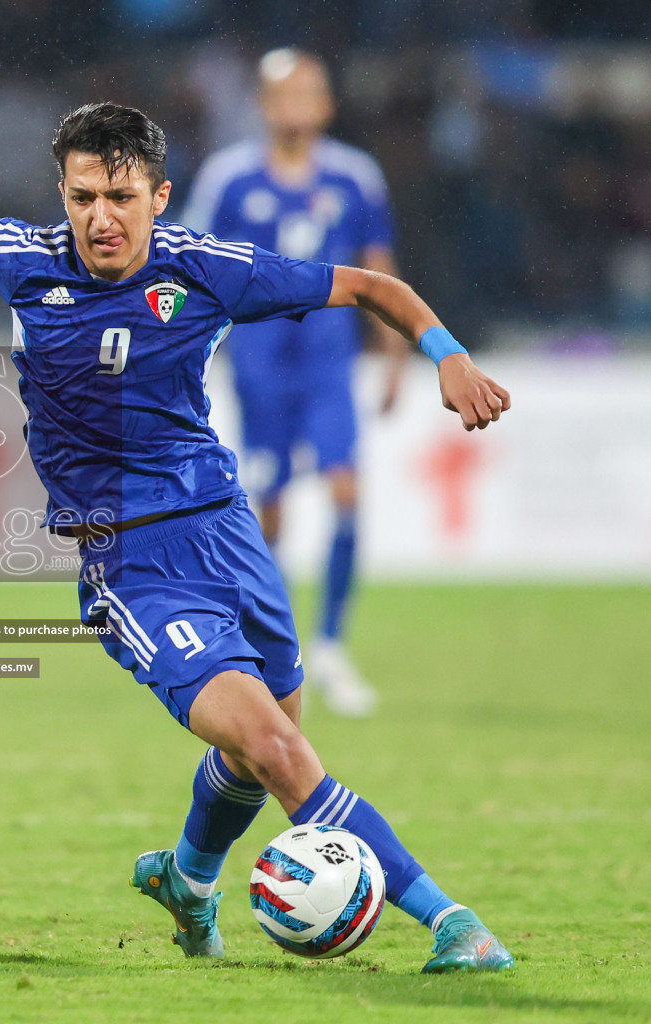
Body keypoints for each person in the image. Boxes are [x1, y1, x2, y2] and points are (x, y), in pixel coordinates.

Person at [0, 102, 515, 973]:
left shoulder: (209, 270)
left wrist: (446, 351)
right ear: (63, 194)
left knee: (261, 744)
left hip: (227, 533)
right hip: (130, 558)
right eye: (81, 197)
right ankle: (451, 919)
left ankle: (188, 882)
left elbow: (372, 287)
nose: (98, 219)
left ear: (159, 196)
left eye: (118, 196)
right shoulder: (26, 261)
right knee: (276, 748)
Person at [184, 48, 406, 717]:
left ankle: (333, 644)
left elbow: (377, 266)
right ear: (262, 103)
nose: (297, 106)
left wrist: (393, 356)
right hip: (260, 367)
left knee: (344, 488)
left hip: (327, 364)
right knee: (270, 508)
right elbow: (192, 265)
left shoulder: (354, 177)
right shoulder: (229, 178)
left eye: (310, 93)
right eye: (285, 94)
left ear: (327, 104)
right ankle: (281, 653)